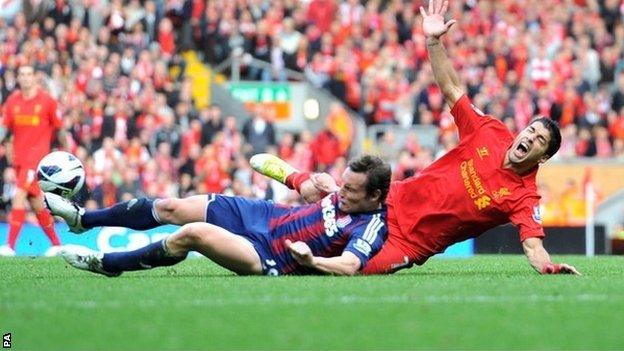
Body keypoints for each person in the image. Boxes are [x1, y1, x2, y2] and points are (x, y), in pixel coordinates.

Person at [252, 0, 580, 276]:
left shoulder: (524, 197)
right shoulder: (490, 132)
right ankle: (296, 181)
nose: (530, 137)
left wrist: (548, 267)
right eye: (531, 130)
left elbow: (532, 244)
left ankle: (291, 240)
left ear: (543, 156)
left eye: (538, 140)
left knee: (351, 271)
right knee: (328, 204)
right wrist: (434, 42)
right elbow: (452, 90)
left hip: (409, 243)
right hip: (388, 201)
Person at [46, 155, 391, 277]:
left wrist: (312, 261)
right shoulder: (343, 193)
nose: (342, 194)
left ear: (374, 195)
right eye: (343, 186)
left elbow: (349, 265)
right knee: (171, 207)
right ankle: (81, 221)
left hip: (269, 256)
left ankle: (107, 264)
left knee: (192, 233)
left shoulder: (371, 226)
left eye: (351, 191)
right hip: (264, 215)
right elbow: (323, 190)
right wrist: (317, 184)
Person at [0, 65, 67, 257]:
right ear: (18, 78)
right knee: (36, 202)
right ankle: (56, 244)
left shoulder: (47, 101)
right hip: (19, 160)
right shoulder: (12, 102)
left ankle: (9, 246)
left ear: (34, 78)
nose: (26, 78)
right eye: (22, 74)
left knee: (19, 195)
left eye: (29, 74)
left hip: (36, 159)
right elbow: (5, 131)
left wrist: (66, 152)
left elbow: (60, 128)